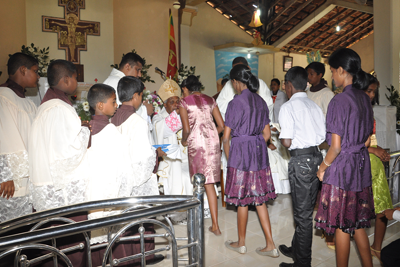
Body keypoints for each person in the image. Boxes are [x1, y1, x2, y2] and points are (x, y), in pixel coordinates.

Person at [314, 48, 375, 267]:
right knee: (356, 221)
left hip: (342, 169)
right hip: (360, 165)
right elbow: (367, 141)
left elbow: (336, 147)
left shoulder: (339, 101)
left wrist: (323, 167)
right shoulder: (365, 99)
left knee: (341, 224)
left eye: (332, 71)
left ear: (341, 70)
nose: (331, 76)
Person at [29, 60, 90, 267]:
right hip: (63, 193)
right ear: (66, 80)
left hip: (48, 186)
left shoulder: (47, 105)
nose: (77, 82)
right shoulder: (58, 108)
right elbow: (68, 155)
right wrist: (85, 131)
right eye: (75, 78)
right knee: (69, 245)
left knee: (53, 244)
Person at [222, 65, 278, 257]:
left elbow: (226, 137)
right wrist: (254, 147)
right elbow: (267, 134)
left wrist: (232, 159)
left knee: (242, 201)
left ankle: (241, 243)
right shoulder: (261, 101)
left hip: (239, 154)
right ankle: (271, 245)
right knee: (259, 199)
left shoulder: (235, 103)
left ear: (236, 82)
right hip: (257, 153)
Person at [111, 76, 165, 265]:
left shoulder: (113, 117)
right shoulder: (137, 121)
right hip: (136, 179)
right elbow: (144, 159)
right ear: (135, 96)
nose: (142, 100)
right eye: (141, 96)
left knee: (125, 222)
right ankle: (144, 256)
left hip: (119, 178)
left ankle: (126, 257)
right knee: (142, 221)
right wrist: (156, 155)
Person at [278, 67, 325, 267]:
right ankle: (296, 249)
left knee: (303, 216)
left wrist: (280, 136)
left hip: (301, 162)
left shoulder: (287, 108)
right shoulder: (314, 106)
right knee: (304, 210)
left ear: (288, 85)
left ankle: (303, 263)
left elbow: (287, 142)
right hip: (316, 158)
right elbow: (323, 136)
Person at [85, 83, 136, 266]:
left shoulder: (86, 128)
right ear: (100, 105)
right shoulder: (111, 131)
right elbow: (124, 166)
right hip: (110, 190)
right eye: (113, 102)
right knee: (112, 237)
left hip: (92, 191)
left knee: (96, 234)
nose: (116, 105)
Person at [179, 75, 224, 236]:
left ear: (185, 88)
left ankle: (196, 222)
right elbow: (221, 125)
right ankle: (216, 226)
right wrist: (210, 134)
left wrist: (185, 141)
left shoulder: (184, 102)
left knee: (198, 182)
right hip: (212, 144)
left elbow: (186, 130)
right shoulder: (210, 99)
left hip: (197, 144)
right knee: (209, 184)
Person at [0, 53, 38, 222]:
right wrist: (5, 175)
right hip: (10, 180)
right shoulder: (3, 97)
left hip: (29, 176)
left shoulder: (28, 102)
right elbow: (4, 136)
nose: (37, 76)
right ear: (23, 70)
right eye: (35, 71)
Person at [363, 74, 393, 263]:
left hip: (373, 161)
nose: (372, 95)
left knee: (383, 206)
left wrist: (376, 150)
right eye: (369, 90)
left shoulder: (367, 109)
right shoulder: (355, 108)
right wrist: (374, 149)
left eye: (374, 91)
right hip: (361, 159)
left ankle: (377, 247)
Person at [152, 79, 191, 196]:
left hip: (188, 157)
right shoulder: (158, 118)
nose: (175, 104)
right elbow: (164, 130)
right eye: (171, 102)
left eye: (177, 101)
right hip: (171, 160)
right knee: (182, 176)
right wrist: (179, 114)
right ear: (164, 104)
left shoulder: (183, 114)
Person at [104, 52, 154, 125]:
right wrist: (145, 110)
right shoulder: (118, 82)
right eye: (138, 70)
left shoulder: (115, 80)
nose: (139, 75)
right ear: (127, 66)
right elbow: (123, 111)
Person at [268, 78, 290, 194]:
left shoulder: (283, 96)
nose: (273, 87)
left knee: (282, 153)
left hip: (279, 126)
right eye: (272, 85)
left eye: (275, 85)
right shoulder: (268, 95)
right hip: (270, 126)